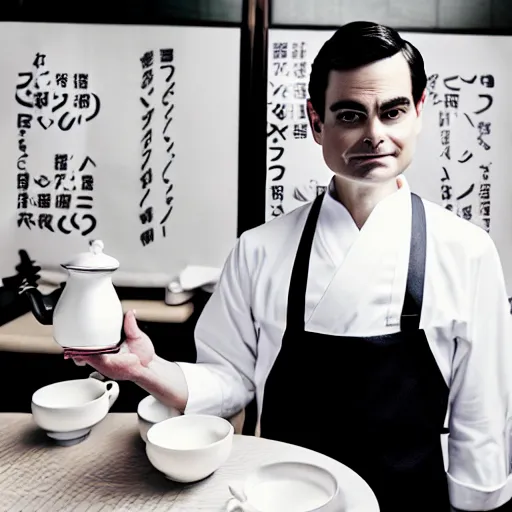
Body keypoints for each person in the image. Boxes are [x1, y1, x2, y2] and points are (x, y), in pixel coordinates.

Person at [73, 21, 512, 512]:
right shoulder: (258, 250)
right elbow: (230, 378)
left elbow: (482, 414)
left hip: (413, 501)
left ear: (419, 112)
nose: (375, 135)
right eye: (350, 114)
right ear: (316, 121)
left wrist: (477, 504)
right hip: (282, 499)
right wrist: (153, 371)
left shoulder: (467, 251)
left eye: (393, 112)